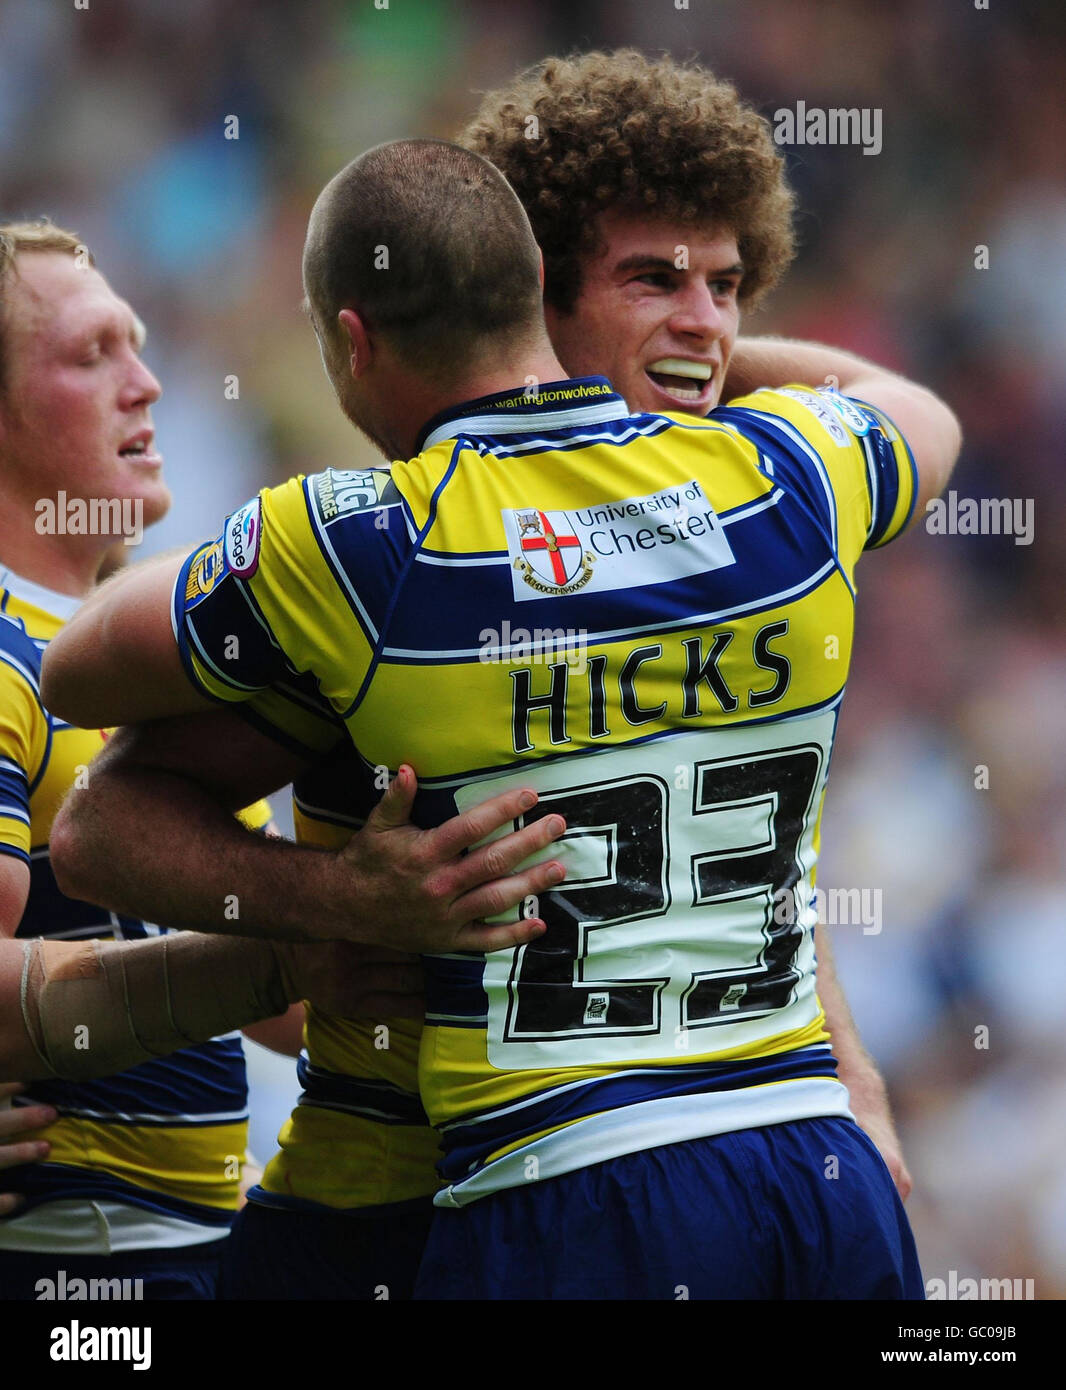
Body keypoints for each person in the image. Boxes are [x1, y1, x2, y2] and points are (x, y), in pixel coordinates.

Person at [44, 135, 960, 1299]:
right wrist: (713, 368)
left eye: (719, 293)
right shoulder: (785, 473)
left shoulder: (359, 552)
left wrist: (326, 903)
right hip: (812, 1174)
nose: (696, 322)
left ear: (350, 342)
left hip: (560, 1183)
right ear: (539, 294)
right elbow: (912, 411)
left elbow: (80, 693)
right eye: (654, 284)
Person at [0, 218, 557, 1297]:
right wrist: (308, 941)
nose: (147, 382)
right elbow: (272, 971)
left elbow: (287, 999)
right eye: (89, 354)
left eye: (138, 342)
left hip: (204, 1242)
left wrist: (425, 901)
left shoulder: (147, 665)